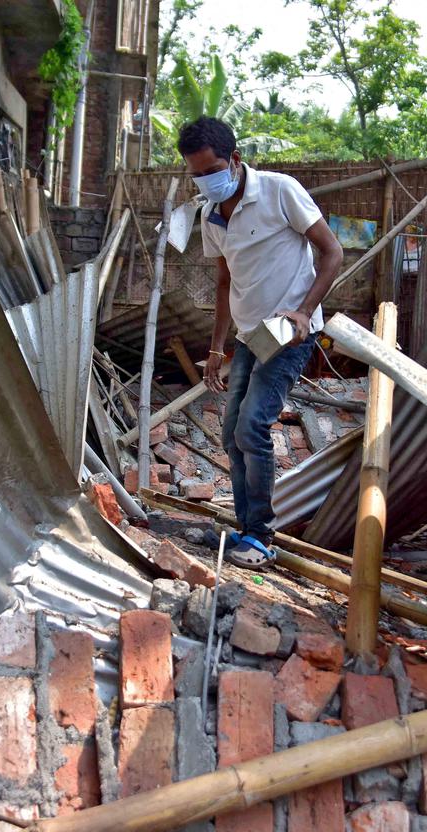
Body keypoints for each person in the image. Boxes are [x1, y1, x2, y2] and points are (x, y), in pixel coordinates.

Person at [177, 117, 343, 569]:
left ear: (234, 160)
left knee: (252, 425)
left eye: (211, 169)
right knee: (232, 433)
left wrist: (305, 311)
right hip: (251, 336)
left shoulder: (279, 190)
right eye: (195, 173)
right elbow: (225, 280)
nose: (204, 180)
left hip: (289, 333)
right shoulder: (211, 216)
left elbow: (333, 252)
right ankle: (245, 528)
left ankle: (261, 536)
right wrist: (216, 348)